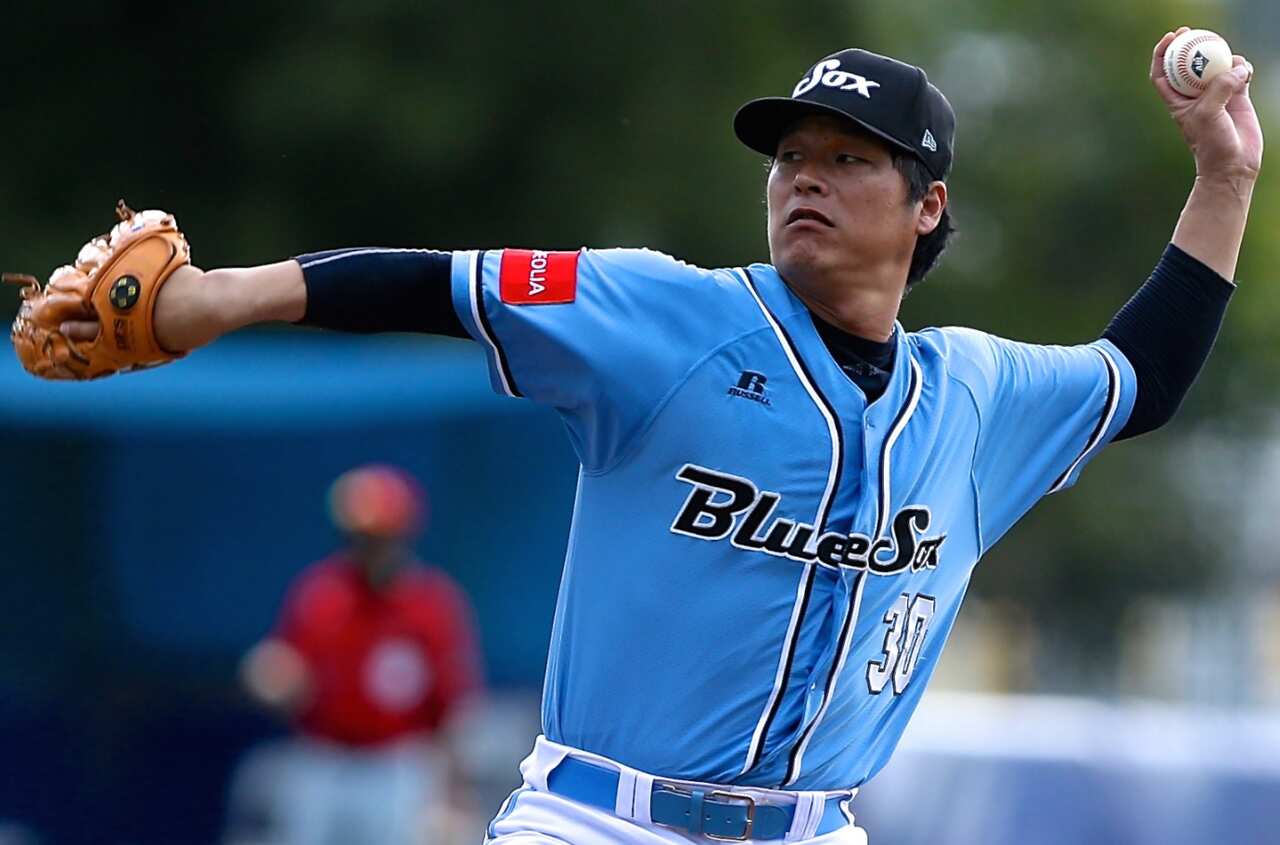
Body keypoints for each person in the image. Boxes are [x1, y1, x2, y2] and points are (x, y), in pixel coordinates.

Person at [11, 28, 1262, 845]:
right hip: (599, 820)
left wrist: (1223, 180)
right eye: (791, 158)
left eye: (846, 158)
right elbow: (443, 283)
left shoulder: (974, 397)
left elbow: (1139, 379)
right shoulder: (670, 315)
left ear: (927, 206)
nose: (803, 177)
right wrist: (223, 295)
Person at [225, 465, 484, 845]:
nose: (367, 550)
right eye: (358, 538)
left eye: (378, 538)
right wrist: (272, 678)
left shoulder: (431, 605)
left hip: (397, 766)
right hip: (323, 759)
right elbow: (286, 672)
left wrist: (456, 797)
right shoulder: (321, 594)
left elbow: (453, 710)